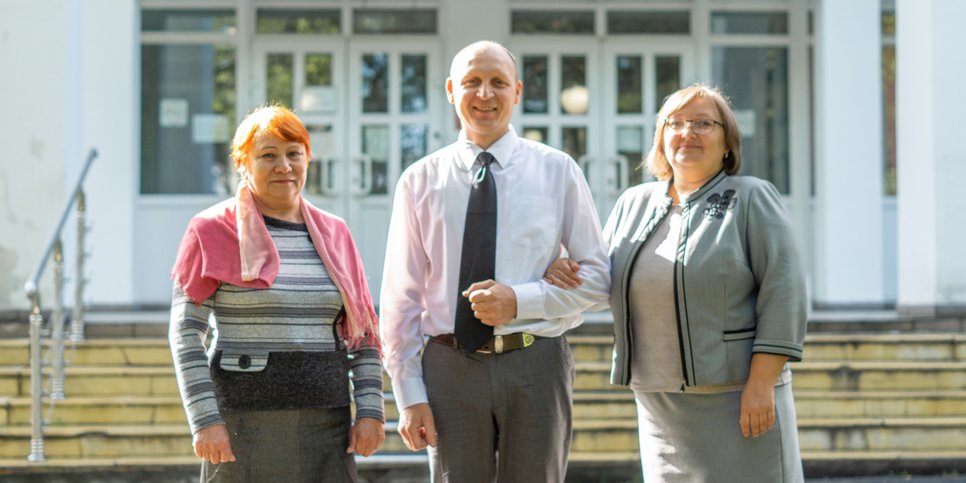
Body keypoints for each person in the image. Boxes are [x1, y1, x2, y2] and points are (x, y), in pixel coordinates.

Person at [545, 84, 807, 482]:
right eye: (676, 123)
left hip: (738, 397)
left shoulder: (752, 197)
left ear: (727, 142)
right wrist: (563, 271)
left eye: (703, 123)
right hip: (659, 404)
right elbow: (603, 281)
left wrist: (761, 385)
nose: (688, 133)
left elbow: (784, 293)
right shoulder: (634, 202)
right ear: (661, 138)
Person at [379, 40, 610, 483]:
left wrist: (520, 301)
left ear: (518, 92)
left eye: (498, 83)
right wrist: (408, 394)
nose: (484, 94)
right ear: (451, 90)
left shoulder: (558, 171)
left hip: (536, 361)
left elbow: (599, 279)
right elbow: (399, 298)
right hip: (449, 366)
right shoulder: (419, 181)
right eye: (472, 82)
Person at [169, 105, 384, 482]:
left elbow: (364, 332)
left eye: (293, 154)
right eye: (268, 155)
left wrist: (370, 409)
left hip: (328, 423)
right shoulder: (209, 230)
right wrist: (205, 420)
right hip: (241, 425)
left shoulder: (336, 234)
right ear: (243, 163)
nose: (283, 166)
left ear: (307, 159)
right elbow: (186, 333)